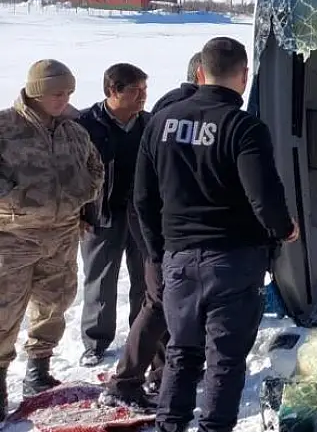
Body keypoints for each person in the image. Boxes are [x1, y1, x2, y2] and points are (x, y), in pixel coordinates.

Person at [134, 37, 298, 432]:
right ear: (244, 76)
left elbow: (142, 197)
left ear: (201, 73)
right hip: (233, 261)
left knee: (182, 354)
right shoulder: (242, 127)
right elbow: (264, 195)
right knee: (224, 359)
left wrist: (160, 251)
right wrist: (284, 230)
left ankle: (169, 427)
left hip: (178, 259)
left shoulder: (160, 122)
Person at [99, 53, 207, 410]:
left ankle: (161, 372)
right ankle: (126, 382)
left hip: (160, 217)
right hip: (156, 218)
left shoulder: (171, 106)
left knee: (164, 298)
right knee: (160, 299)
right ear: (204, 74)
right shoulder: (183, 109)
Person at [0, 60, 105, 420]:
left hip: (61, 235)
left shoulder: (73, 131)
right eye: (59, 93)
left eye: (69, 93)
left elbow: (95, 166)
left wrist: (83, 197)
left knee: (53, 304)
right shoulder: (4, 127)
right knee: (3, 311)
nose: (66, 100)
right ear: (37, 91)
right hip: (13, 237)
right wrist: (14, 195)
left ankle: (38, 374)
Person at [77, 63, 151, 367]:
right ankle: (95, 341)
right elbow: (73, 174)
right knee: (100, 280)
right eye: (136, 90)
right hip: (100, 214)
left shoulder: (149, 123)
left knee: (145, 278)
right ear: (112, 91)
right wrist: (80, 211)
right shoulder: (85, 125)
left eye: (145, 89)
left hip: (141, 215)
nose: (143, 97)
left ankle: (142, 334)